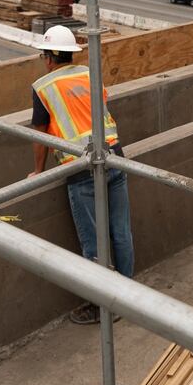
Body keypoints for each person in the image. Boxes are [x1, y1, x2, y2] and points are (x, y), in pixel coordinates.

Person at [27, 24, 134, 323]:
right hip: (115, 156)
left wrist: (38, 171)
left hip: (81, 167)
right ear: (71, 55)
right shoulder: (91, 74)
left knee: (93, 241)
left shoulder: (43, 87)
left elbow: (41, 137)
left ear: (49, 57)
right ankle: (132, 301)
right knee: (120, 231)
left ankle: (104, 306)